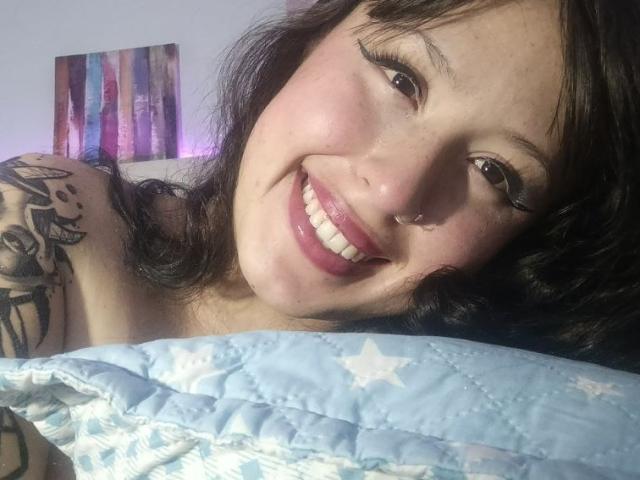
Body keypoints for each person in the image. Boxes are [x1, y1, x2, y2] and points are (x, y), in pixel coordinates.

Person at [1, 0, 639, 477]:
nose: (393, 190)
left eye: (494, 172)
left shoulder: (472, 414)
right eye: (401, 77)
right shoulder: (50, 216)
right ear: (311, 42)